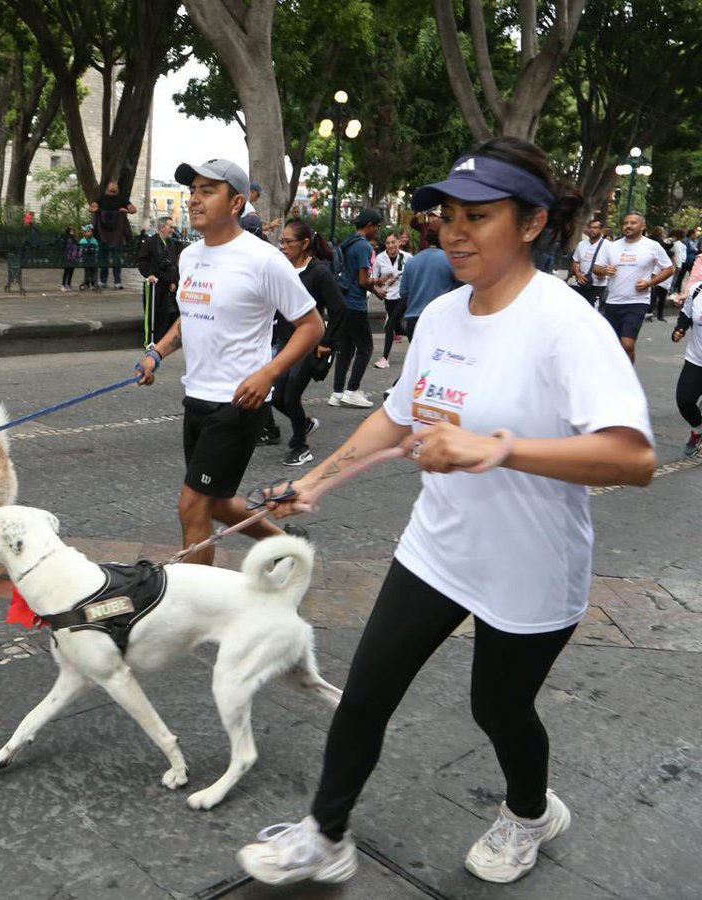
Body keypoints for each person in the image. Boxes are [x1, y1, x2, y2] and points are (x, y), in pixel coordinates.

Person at [235, 136, 656, 889]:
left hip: (530, 564)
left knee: (498, 708)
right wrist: (319, 482)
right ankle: (326, 833)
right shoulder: (440, 316)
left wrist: (497, 448)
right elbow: (397, 420)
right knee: (364, 693)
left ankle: (531, 812)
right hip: (437, 548)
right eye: (447, 216)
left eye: (479, 216)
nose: (454, 232)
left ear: (531, 223)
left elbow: (632, 460)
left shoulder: (567, 324)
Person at [135, 158, 325, 564]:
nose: (194, 200)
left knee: (193, 506)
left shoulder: (263, 259)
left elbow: (311, 325)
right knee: (218, 502)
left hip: (238, 403)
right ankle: (287, 549)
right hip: (197, 396)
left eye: (208, 191)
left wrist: (268, 374)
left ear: (236, 202)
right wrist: (157, 352)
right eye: (192, 191)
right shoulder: (189, 257)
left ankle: (196, 609)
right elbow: (191, 317)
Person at [270, 219, 346, 466]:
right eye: (281, 241)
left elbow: (339, 309)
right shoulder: (283, 268)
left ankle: (300, 446)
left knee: (291, 396)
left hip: (309, 344)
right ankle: (303, 423)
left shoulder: (319, 272)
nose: (283, 246)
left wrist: (327, 342)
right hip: (284, 342)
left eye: (288, 242)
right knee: (275, 396)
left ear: (304, 244)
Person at [593, 213, 673, 362]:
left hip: (637, 301)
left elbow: (669, 268)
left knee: (627, 345)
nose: (628, 226)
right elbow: (596, 267)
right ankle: (616, 374)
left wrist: (650, 282)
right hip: (613, 302)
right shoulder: (612, 246)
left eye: (633, 223)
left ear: (642, 227)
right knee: (613, 345)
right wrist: (604, 271)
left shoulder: (652, 246)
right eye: (625, 223)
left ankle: (627, 378)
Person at [328, 208, 382, 408]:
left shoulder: (347, 242)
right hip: (356, 303)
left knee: (346, 349)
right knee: (366, 347)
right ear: (369, 226)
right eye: (376, 227)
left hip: (342, 302)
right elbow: (362, 280)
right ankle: (352, 390)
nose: (377, 231)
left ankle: (337, 392)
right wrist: (377, 291)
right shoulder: (364, 247)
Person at [136, 216, 181, 343]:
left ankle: (161, 341)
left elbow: (174, 265)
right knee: (152, 314)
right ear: (162, 227)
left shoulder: (172, 244)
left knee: (166, 314)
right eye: (170, 227)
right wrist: (149, 274)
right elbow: (142, 261)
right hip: (155, 284)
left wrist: (174, 281)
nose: (172, 230)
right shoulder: (150, 242)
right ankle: (150, 341)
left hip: (168, 284)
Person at [370, 232, 411, 369]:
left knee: (389, 326)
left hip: (403, 296)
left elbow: (414, 275)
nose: (391, 245)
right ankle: (418, 342)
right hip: (388, 296)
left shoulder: (408, 257)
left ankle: (385, 358)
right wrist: (379, 288)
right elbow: (374, 280)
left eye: (393, 242)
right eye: (388, 243)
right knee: (398, 328)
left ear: (399, 242)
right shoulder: (380, 258)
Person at [671, 279, 702, 458]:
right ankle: (697, 430)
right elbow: (685, 314)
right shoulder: (697, 290)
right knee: (684, 400)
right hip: (696, 358)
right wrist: (679, 329)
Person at [89, 180, 136, 289]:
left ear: (117, 189)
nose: (113, 191)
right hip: (103, 233)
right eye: (111, 189)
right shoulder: (101, 199)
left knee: (116, 259)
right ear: (108, 189)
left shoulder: (122, 199)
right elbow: (91, 208)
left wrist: (126, 210)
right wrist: (95, 209)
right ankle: (104, 281)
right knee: (103, 258)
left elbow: (133, 210)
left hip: (117, 234)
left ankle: (117, 281)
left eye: (114, 190)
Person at [570, 217, 609, 309]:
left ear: (601, 230)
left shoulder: (608, 246)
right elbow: (576, 261)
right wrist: (578, 273)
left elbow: (614, 265)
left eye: (595, 228)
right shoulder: (582, 244)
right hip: (582, 283)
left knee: (593, 311)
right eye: (590, 227)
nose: (592, 230)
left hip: (598, 285)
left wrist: (604, 274)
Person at [78, 224, 99, 290]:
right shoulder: (82, 241)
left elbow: (97, 249)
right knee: (87, 272)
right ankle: (86, 284)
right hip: (86, 259)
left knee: (94, 272)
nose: (88, 233)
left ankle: (93, 284)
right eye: (87, 231)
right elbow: (80, 250)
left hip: (93, 259)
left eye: (90, 231)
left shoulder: (94, 240)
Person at [59, 225, 78, 292]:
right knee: (66, 272)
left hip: (73, 257)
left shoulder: (74, 238)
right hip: (67, 257)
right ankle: (63, 285)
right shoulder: (66, 238)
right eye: (71, 230)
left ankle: (68, 285)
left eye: (73, 230)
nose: (72, 232)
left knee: (71, 272)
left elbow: (76, 247)